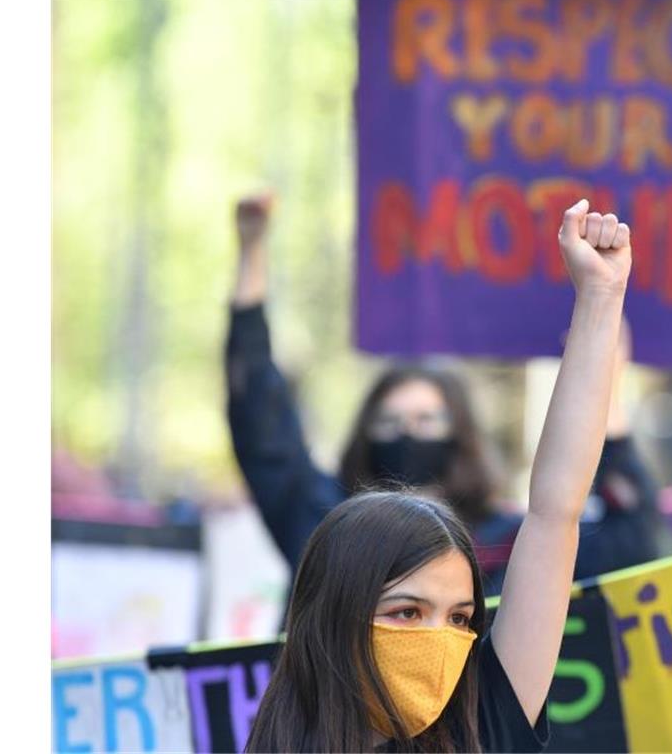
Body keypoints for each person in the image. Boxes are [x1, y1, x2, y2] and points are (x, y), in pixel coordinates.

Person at [245, 199, 630, 752]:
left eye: (460, 619)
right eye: (406, 611)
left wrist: (601, 298)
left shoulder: (483, 725)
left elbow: (554, 513)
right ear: (336, 611)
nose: (437, 642)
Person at [226, 195, 659, 595]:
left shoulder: (507, 549)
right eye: (390, 424)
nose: (407, 436)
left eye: (426, 422)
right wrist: (252, 255)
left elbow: (627, 543)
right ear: (366, 434)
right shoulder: (325, 530)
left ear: (460, 435)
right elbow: (263, 431)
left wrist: (608, 385)